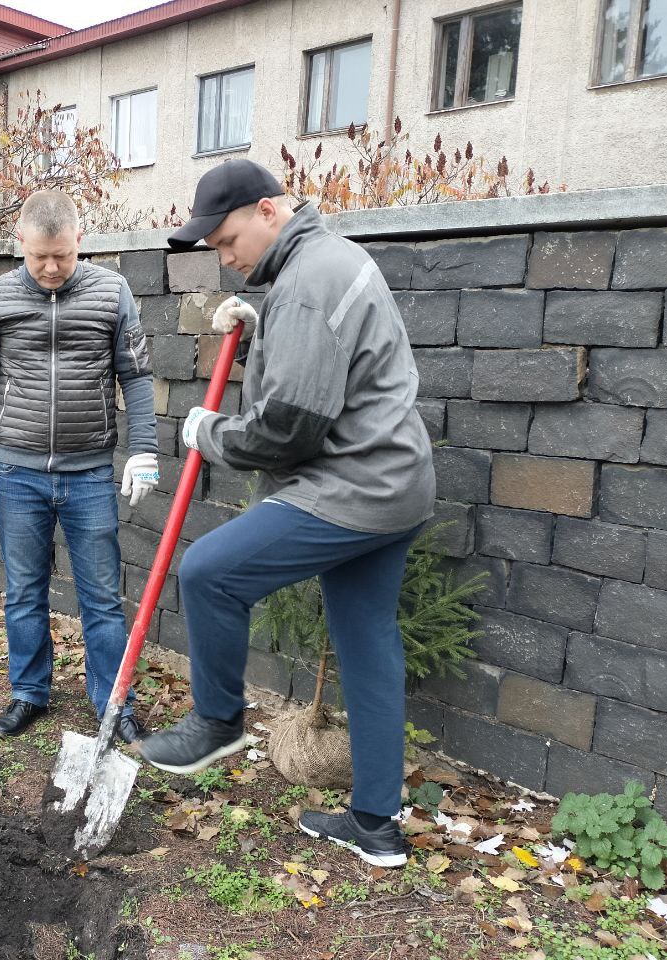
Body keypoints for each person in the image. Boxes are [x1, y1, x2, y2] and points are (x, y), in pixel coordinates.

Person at [139, 159, 436, 868]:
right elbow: (328, 363)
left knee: (210, 572)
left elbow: (287, 430)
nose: (226, 256)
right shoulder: (330, 261)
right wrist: (264, 321)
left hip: (353, 484)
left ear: (270, 211)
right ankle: (376, 826)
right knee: (367, 642)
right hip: (400, 483)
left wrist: (205, 431)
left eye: (228, 239)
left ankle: (217, 721)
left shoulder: (304, 284)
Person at [0, 190, 159, 742]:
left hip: (89, 473)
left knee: (102, 599)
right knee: (23, 591)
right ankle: (28, 693)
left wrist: (144, 448)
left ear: (79, 241)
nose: (49, 267)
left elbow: (135, 375)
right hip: (17, 472)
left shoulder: (112, 293)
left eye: (61, 256)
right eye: (39, 255)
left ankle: (115, 703)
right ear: (20, 241)